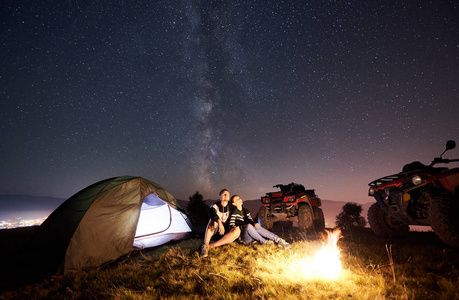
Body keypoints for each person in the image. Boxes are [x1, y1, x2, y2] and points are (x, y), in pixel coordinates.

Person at [200, 189, 240, 257]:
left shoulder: (232, 207)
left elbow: (239, 214)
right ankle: (205, 245)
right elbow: (211, 212)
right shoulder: (216, 205)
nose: (226, 196)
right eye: (224, 194)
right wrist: (219, 221)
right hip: (216, 231)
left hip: (226, 233)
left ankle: (212, 245)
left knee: (237, 230)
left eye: (227, 194)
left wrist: (238, 205)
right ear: (220, 197)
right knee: (212, 220)